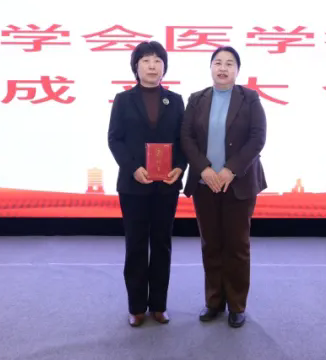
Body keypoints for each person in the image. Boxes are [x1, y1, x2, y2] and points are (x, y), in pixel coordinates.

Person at [180, 46, 267, 328]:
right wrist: (204, 169)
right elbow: (186, 137)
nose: (223, 68)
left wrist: (231, 170)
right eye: (218, 62)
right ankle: (214, 302)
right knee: (211, 244)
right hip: (205, 183)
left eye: (230, 63)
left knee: (237, 246)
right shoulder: (197, 99)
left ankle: (237, 305)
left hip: (238, 183)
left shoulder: (249, 98)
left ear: (237, 70)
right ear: (210, 67)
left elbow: (257, 138)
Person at [107, 40, 187, 327]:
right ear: (136, 66)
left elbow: (183, 141)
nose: (152, 66)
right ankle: (137, 307)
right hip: (134, 185)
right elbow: (114, 139)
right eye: (146, 60)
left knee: (162, 244)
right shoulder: (123, 100)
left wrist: (180, 167)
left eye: (157, 61)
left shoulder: (175, 100)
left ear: (164, 67)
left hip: (166, 186)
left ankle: (159, 305)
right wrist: (133, 169)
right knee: (136, 245)